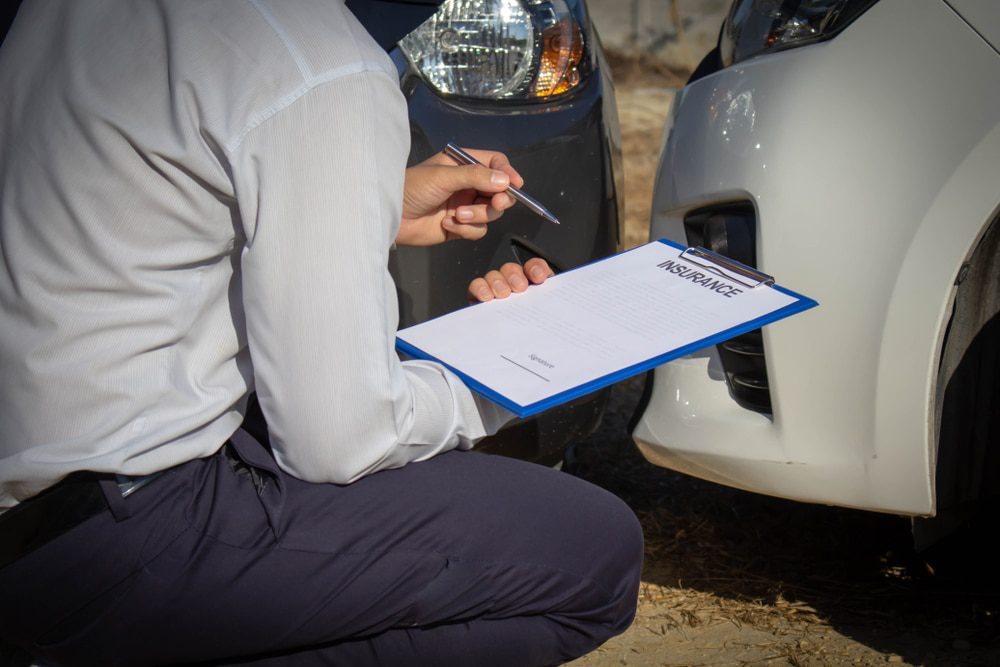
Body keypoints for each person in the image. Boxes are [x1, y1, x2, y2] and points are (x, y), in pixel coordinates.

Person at [0, 1, 643, 665]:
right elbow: (339, 439)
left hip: (37, 504)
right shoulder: (324, 64)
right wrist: (500, 372)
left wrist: (368, 201)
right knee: (597, 555)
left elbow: (140, 201)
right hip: (116, 534)